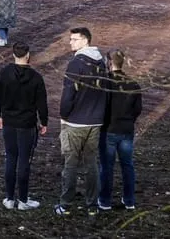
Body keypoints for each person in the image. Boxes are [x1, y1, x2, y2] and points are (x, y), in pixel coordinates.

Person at [0, 41, 50, 211]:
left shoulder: (3, 74)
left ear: (13, 55)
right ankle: (23, 200)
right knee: (24, 161)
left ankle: (10, 198)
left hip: (9, 122)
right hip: (27, 124)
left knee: (11, 158)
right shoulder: (36, 77)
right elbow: (42, 103)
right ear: (28, 55)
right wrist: (44, 122)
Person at [56, 27, 107, 217]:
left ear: (85, 41)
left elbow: (68, 94)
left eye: (74, 39)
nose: (70, 42)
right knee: (91, 163)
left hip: (75, 122)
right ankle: (92, 204)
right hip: (95, 121)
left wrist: (64, 115)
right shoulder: (102, 63)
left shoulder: (76, 63)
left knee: (70, 164)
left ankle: (66, 204)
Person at [98, 49, 142, 212]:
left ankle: (105, 201)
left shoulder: (105, 84)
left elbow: (101, 107)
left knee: (106, 167)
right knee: (127, 165)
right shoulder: (133, 84)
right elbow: (137, 109)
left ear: (109, 63)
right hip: (126, 130)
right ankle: (129, 200)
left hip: (108, 129)